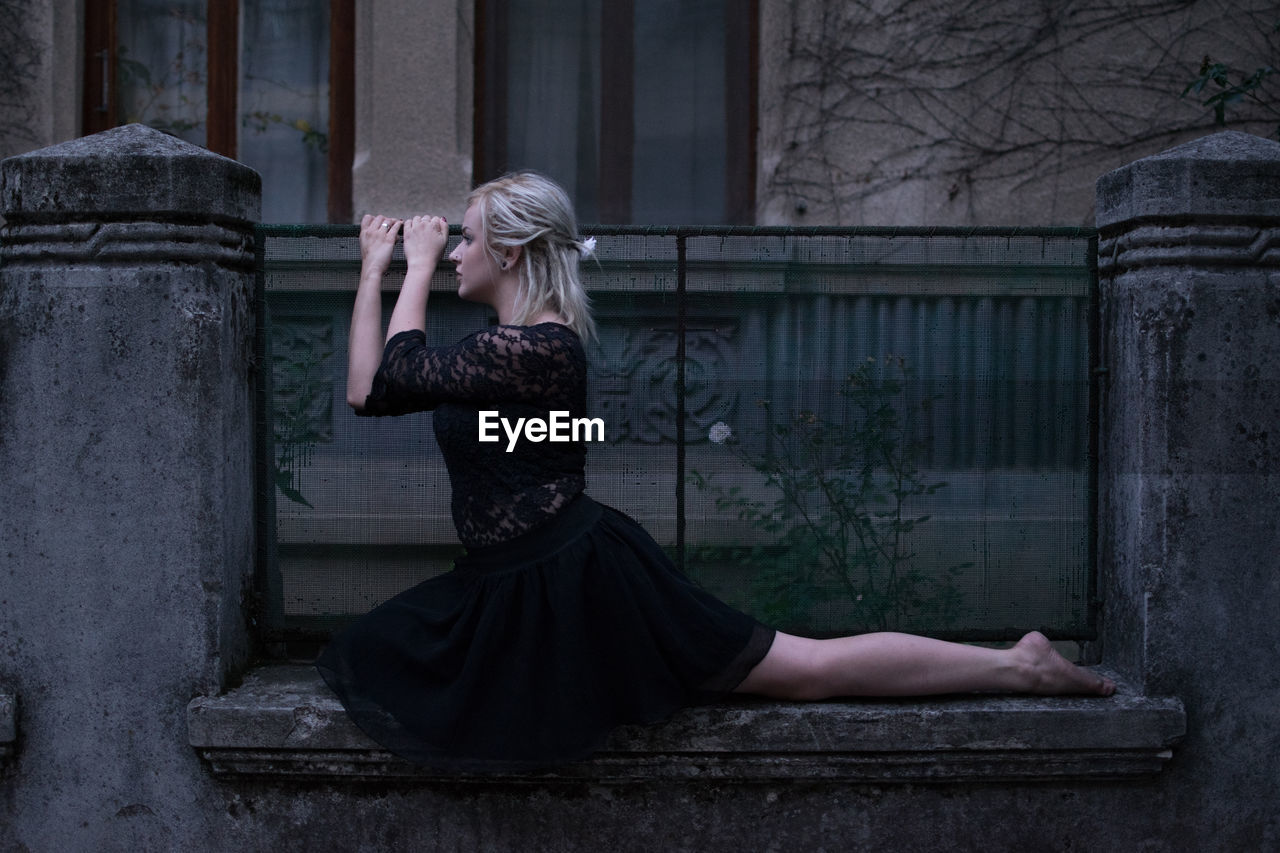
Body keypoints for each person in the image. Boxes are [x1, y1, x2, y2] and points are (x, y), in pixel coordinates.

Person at [316, 171, 1115, 773]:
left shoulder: (540, 348)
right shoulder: (501, 347)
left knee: (802, 668)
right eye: (449, 242)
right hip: (510, 577)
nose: (455, 251)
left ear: (512, 250)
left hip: (580, 575)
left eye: (467, 238)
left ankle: (1018, 663)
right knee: (373, 653)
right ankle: (1016, 661)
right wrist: (370, 272)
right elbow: (370, 389)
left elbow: (404, 366)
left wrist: (410, 264)